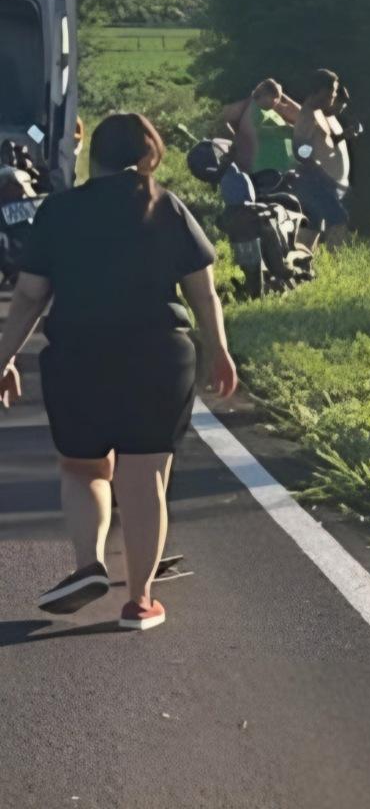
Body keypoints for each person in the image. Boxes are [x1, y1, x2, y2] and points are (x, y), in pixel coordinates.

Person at [0, 113, 238, 631]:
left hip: (80, 354)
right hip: (158, 354)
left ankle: (89, 562)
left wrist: (3, 359)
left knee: (83, 468)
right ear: (148, 152)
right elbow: (204, 292)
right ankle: (140, 601)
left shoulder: (59, 211)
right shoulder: (166, 206)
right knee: (145, 474)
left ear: (94, 156)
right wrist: (219, 350)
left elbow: (28, 299)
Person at [292, 68, 353, 247]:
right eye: (333, 91)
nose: (335, 95)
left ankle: (302, 266)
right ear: (321, 90)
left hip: (319, 181)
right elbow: (299, 149)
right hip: (313, 181)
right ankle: (336, 266)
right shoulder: (308, 115)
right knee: (339, 219)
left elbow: (321, 144)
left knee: (312, 228)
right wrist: (317, 168)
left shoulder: (318, 112)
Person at [220, 79, 300, 173]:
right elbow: (254, 132)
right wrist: (278, 131)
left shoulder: (266, 109)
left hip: (283, 161)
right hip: (268, 165)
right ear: (265, 95)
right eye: (274, 98)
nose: (276, 102)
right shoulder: (253, 110)